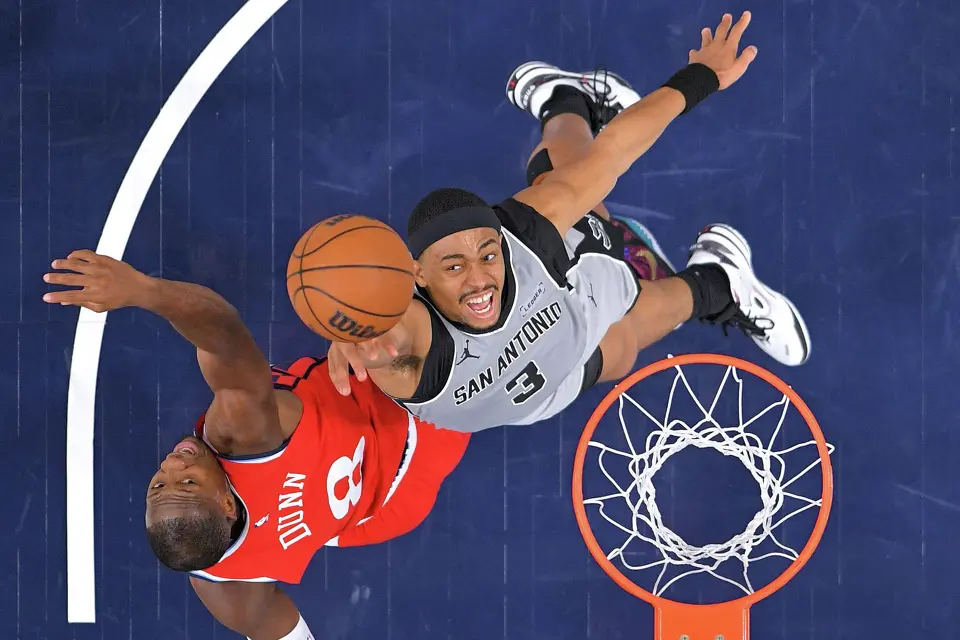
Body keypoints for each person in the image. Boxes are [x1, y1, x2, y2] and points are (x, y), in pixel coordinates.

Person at [324, 12, 811, 433]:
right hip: (538, 392)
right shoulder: (404, 335)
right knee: (618, 356)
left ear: (502, 240)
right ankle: (566, 100)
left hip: (572, 301)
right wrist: (354, 328)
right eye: (453, 267)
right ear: (418, 275)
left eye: (488, 255)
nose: (479, 279)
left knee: (577, 199)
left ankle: (716, 282)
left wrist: (702, 75)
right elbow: (386, 335)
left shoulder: (528, 231)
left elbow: (616, 150)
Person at [43, 251, 469, 640]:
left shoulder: (230, 588)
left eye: (158, 485)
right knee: (452, 287)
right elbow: (223, 333)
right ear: (227, 506)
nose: (173, 463)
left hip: (380, 513)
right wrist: (143, 290)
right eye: (187, 482)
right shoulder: (241, 434)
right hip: (410, 425)